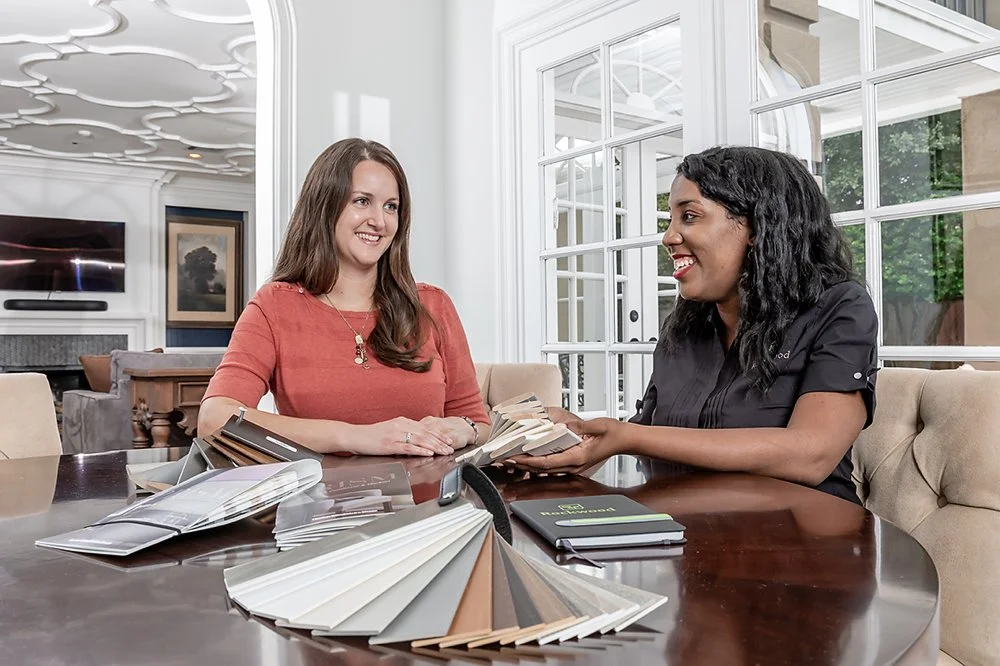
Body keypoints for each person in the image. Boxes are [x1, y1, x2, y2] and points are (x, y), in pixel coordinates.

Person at [508, 145, 878, 503]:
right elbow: (648, 432)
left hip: (812, 547)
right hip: (691, 540)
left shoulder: (840, 308)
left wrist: (624, 436)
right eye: (671, 218)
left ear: (757, 227)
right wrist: (573, 437)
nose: (668, 237)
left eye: (690, 216)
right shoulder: (686, 326)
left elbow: (810, 454)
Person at [198, 138, 489, 457]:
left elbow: (477, 421)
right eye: (362, 201)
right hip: (321, 502)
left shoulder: (433, 305)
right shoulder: (274, 307)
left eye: (391, 206)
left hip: (432, 502)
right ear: (325, 206)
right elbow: (214, 420)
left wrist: (465, 429)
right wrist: (355, 437)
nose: (379, 221)